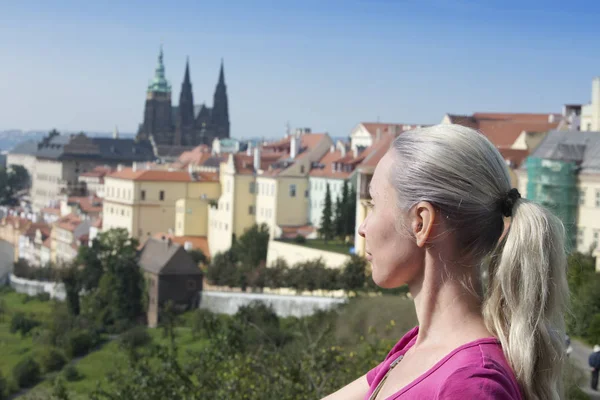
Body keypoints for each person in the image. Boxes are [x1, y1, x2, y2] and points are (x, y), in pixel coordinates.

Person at [322, 125, 568, 400]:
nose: (363, 228)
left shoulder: (470, 386)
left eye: (374, 204)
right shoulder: (417, 350)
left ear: (421, 223)